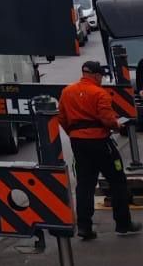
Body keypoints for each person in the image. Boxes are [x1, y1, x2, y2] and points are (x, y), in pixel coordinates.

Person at [57, 59, 141, 239]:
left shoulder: (67, 92)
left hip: (78, 144)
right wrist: (118, 126)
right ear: (96, 75)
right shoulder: (99, 93)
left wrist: (74, 134)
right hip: (100, 143)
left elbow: (62, 119)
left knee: (85, 184)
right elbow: (108, 120)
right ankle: (123, 224)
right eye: (101, 76)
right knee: (117, 180)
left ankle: (84, 227)